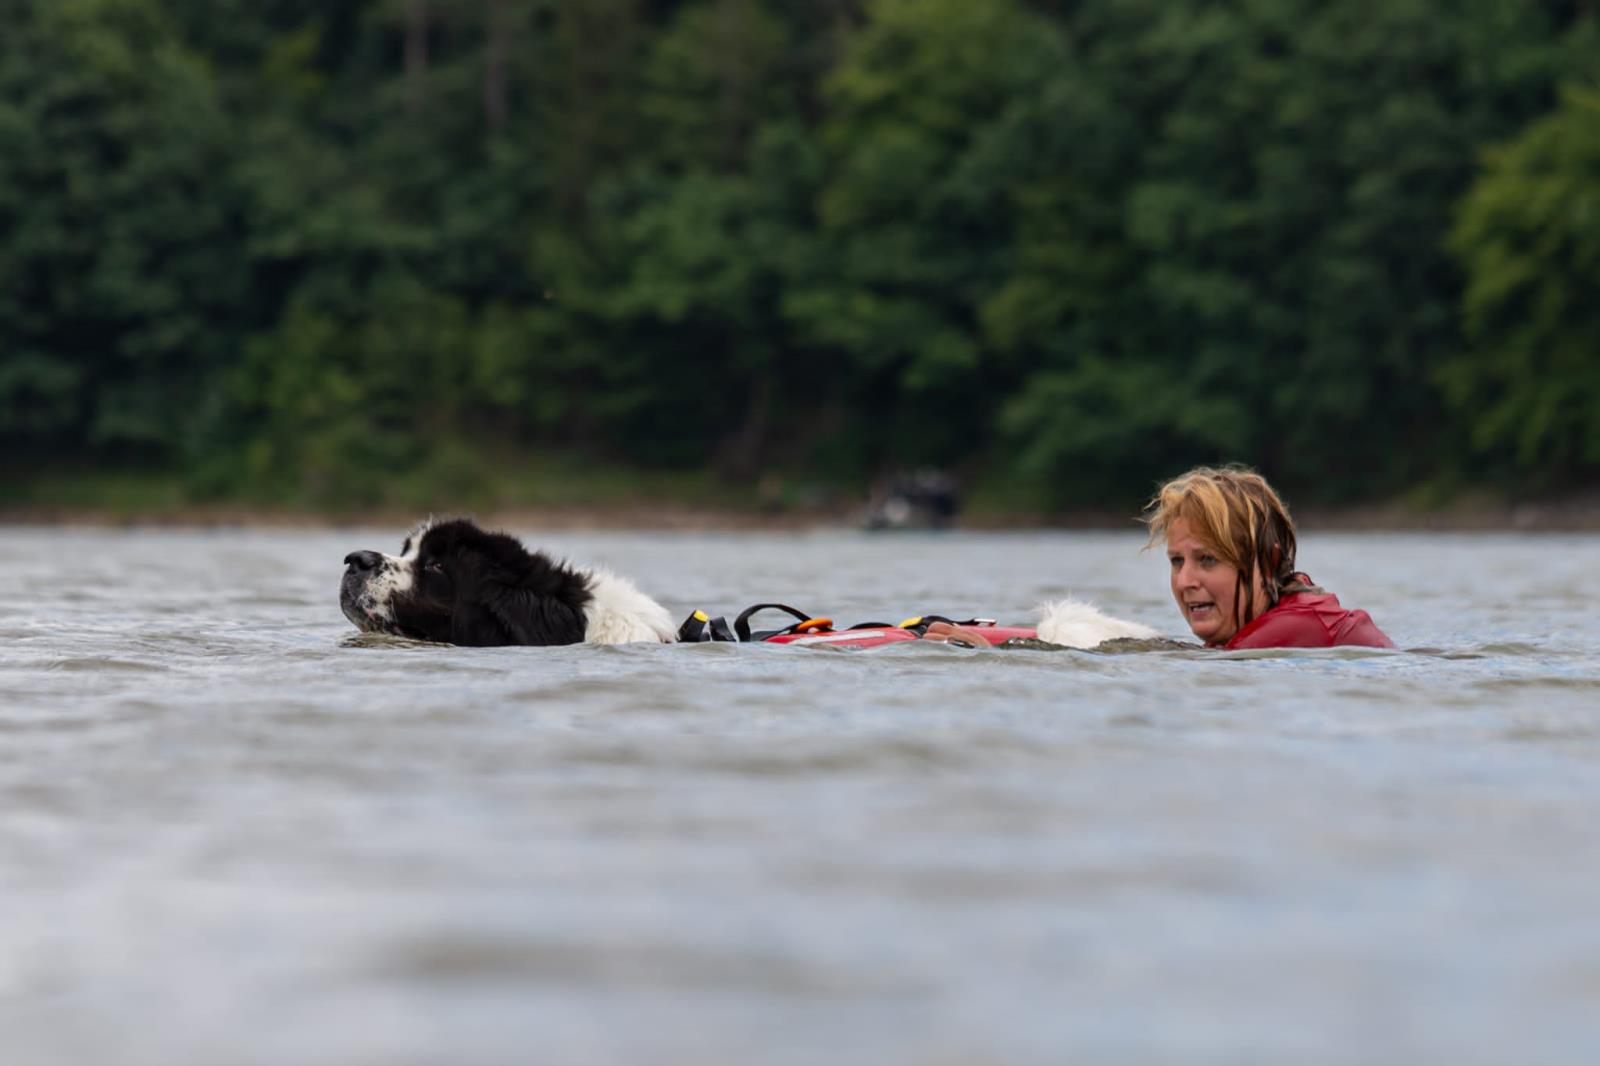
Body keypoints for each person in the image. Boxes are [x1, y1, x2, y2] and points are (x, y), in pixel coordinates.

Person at [1145, 465, 1394, 649]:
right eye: (1177, 561)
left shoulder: (1294, 627)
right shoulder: (1257, 630)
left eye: (1207, 559)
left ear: (1268, 563)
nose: (1184, 581)